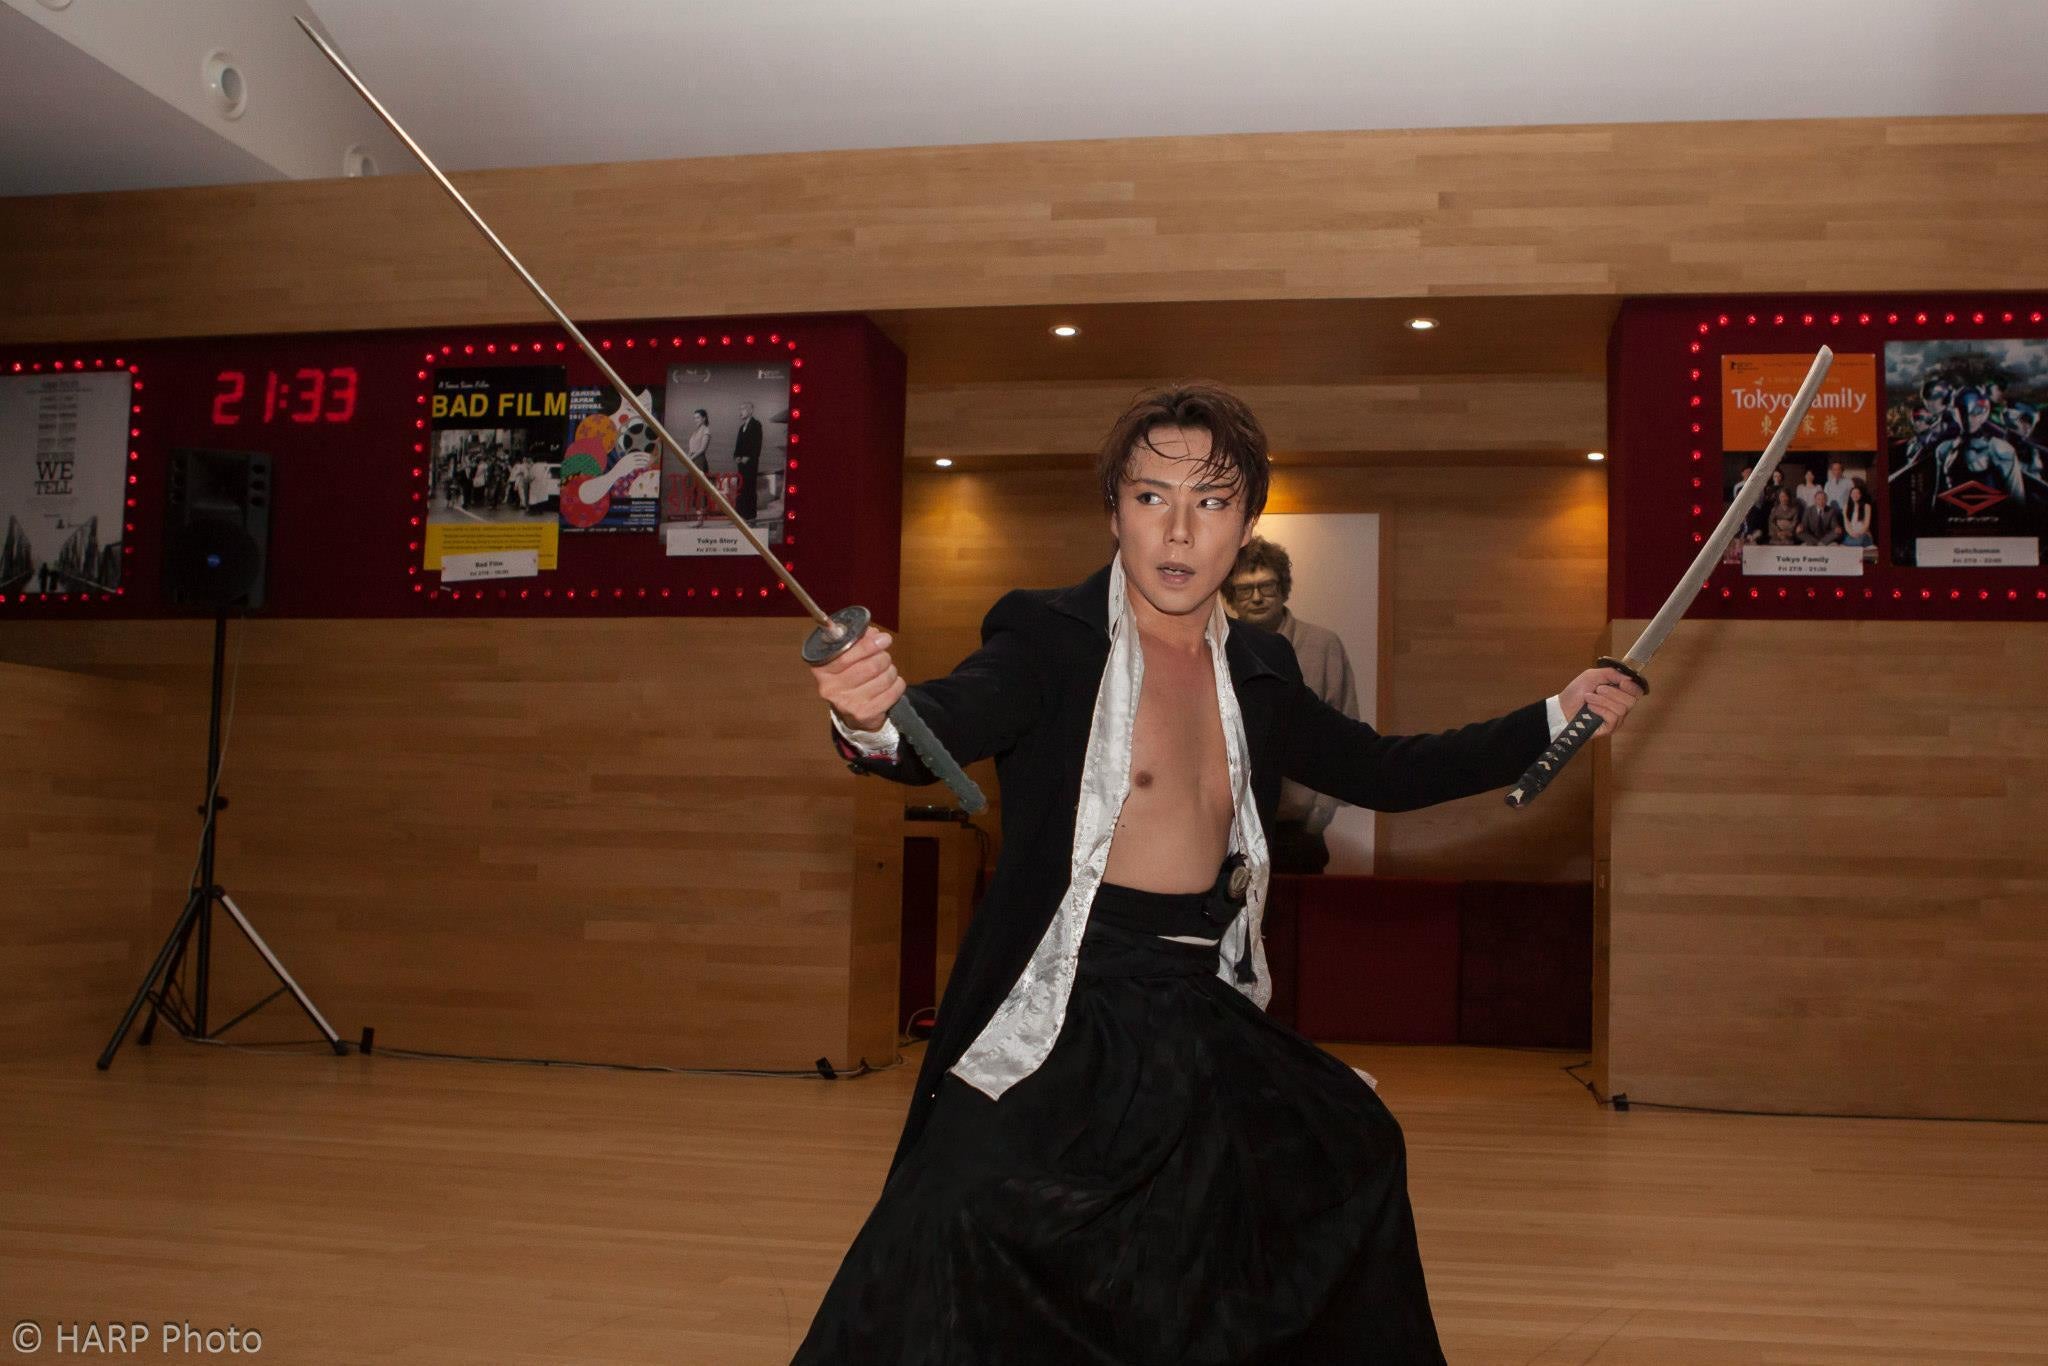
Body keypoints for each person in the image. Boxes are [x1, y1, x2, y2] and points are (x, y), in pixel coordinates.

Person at [797, 382, 1640, 1364]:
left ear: (1244, 526)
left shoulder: (1262, 669)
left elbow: (1385, 770)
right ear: (1113, 510)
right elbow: (942, 722)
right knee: (958, 1205)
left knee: (1348, 1149)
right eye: (1150, 497)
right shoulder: (1046, 639)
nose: (1177, 530)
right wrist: (871, 717)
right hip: (1066, 996)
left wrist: (1556, 714)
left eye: (1210, 502)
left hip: (1201, 995)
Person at [1225, 534, 1357, 874]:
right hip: (1229, 829)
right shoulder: (1215, 648)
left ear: (1283, 589)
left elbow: (1345, 731)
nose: (1257, 597)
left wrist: (1319, 814)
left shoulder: (1323, 646)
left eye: (1266, 587)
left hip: (1298, 831)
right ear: (1230, 597)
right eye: (1245, 589)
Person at [732, 401, 763, 522]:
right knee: (741, 487)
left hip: (751, 463)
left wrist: (748, 457)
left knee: (749, 488)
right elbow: (738, 444)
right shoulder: (742, 428)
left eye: (744, 409)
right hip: (741, 463)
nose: (741, 412)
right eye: (740, 409)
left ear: (751, 410)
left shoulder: (756, 425)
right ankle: (740, 514)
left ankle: (751, 516)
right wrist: (736, 456)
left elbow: (757, 444)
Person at [1842, 480, 1875, 549]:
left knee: (1859, 542)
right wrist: (1851, 533)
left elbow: (1867, 524)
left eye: (1857, 493)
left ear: (1861, 495)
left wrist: (1859, 533)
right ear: (1850, 495)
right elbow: (1846, 524)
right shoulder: (1846, 507)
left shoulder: (1866, 506)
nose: (1855, 495)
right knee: (1846, 543)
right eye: (1853, 493)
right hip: (1852, 534)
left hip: (1863, 534)